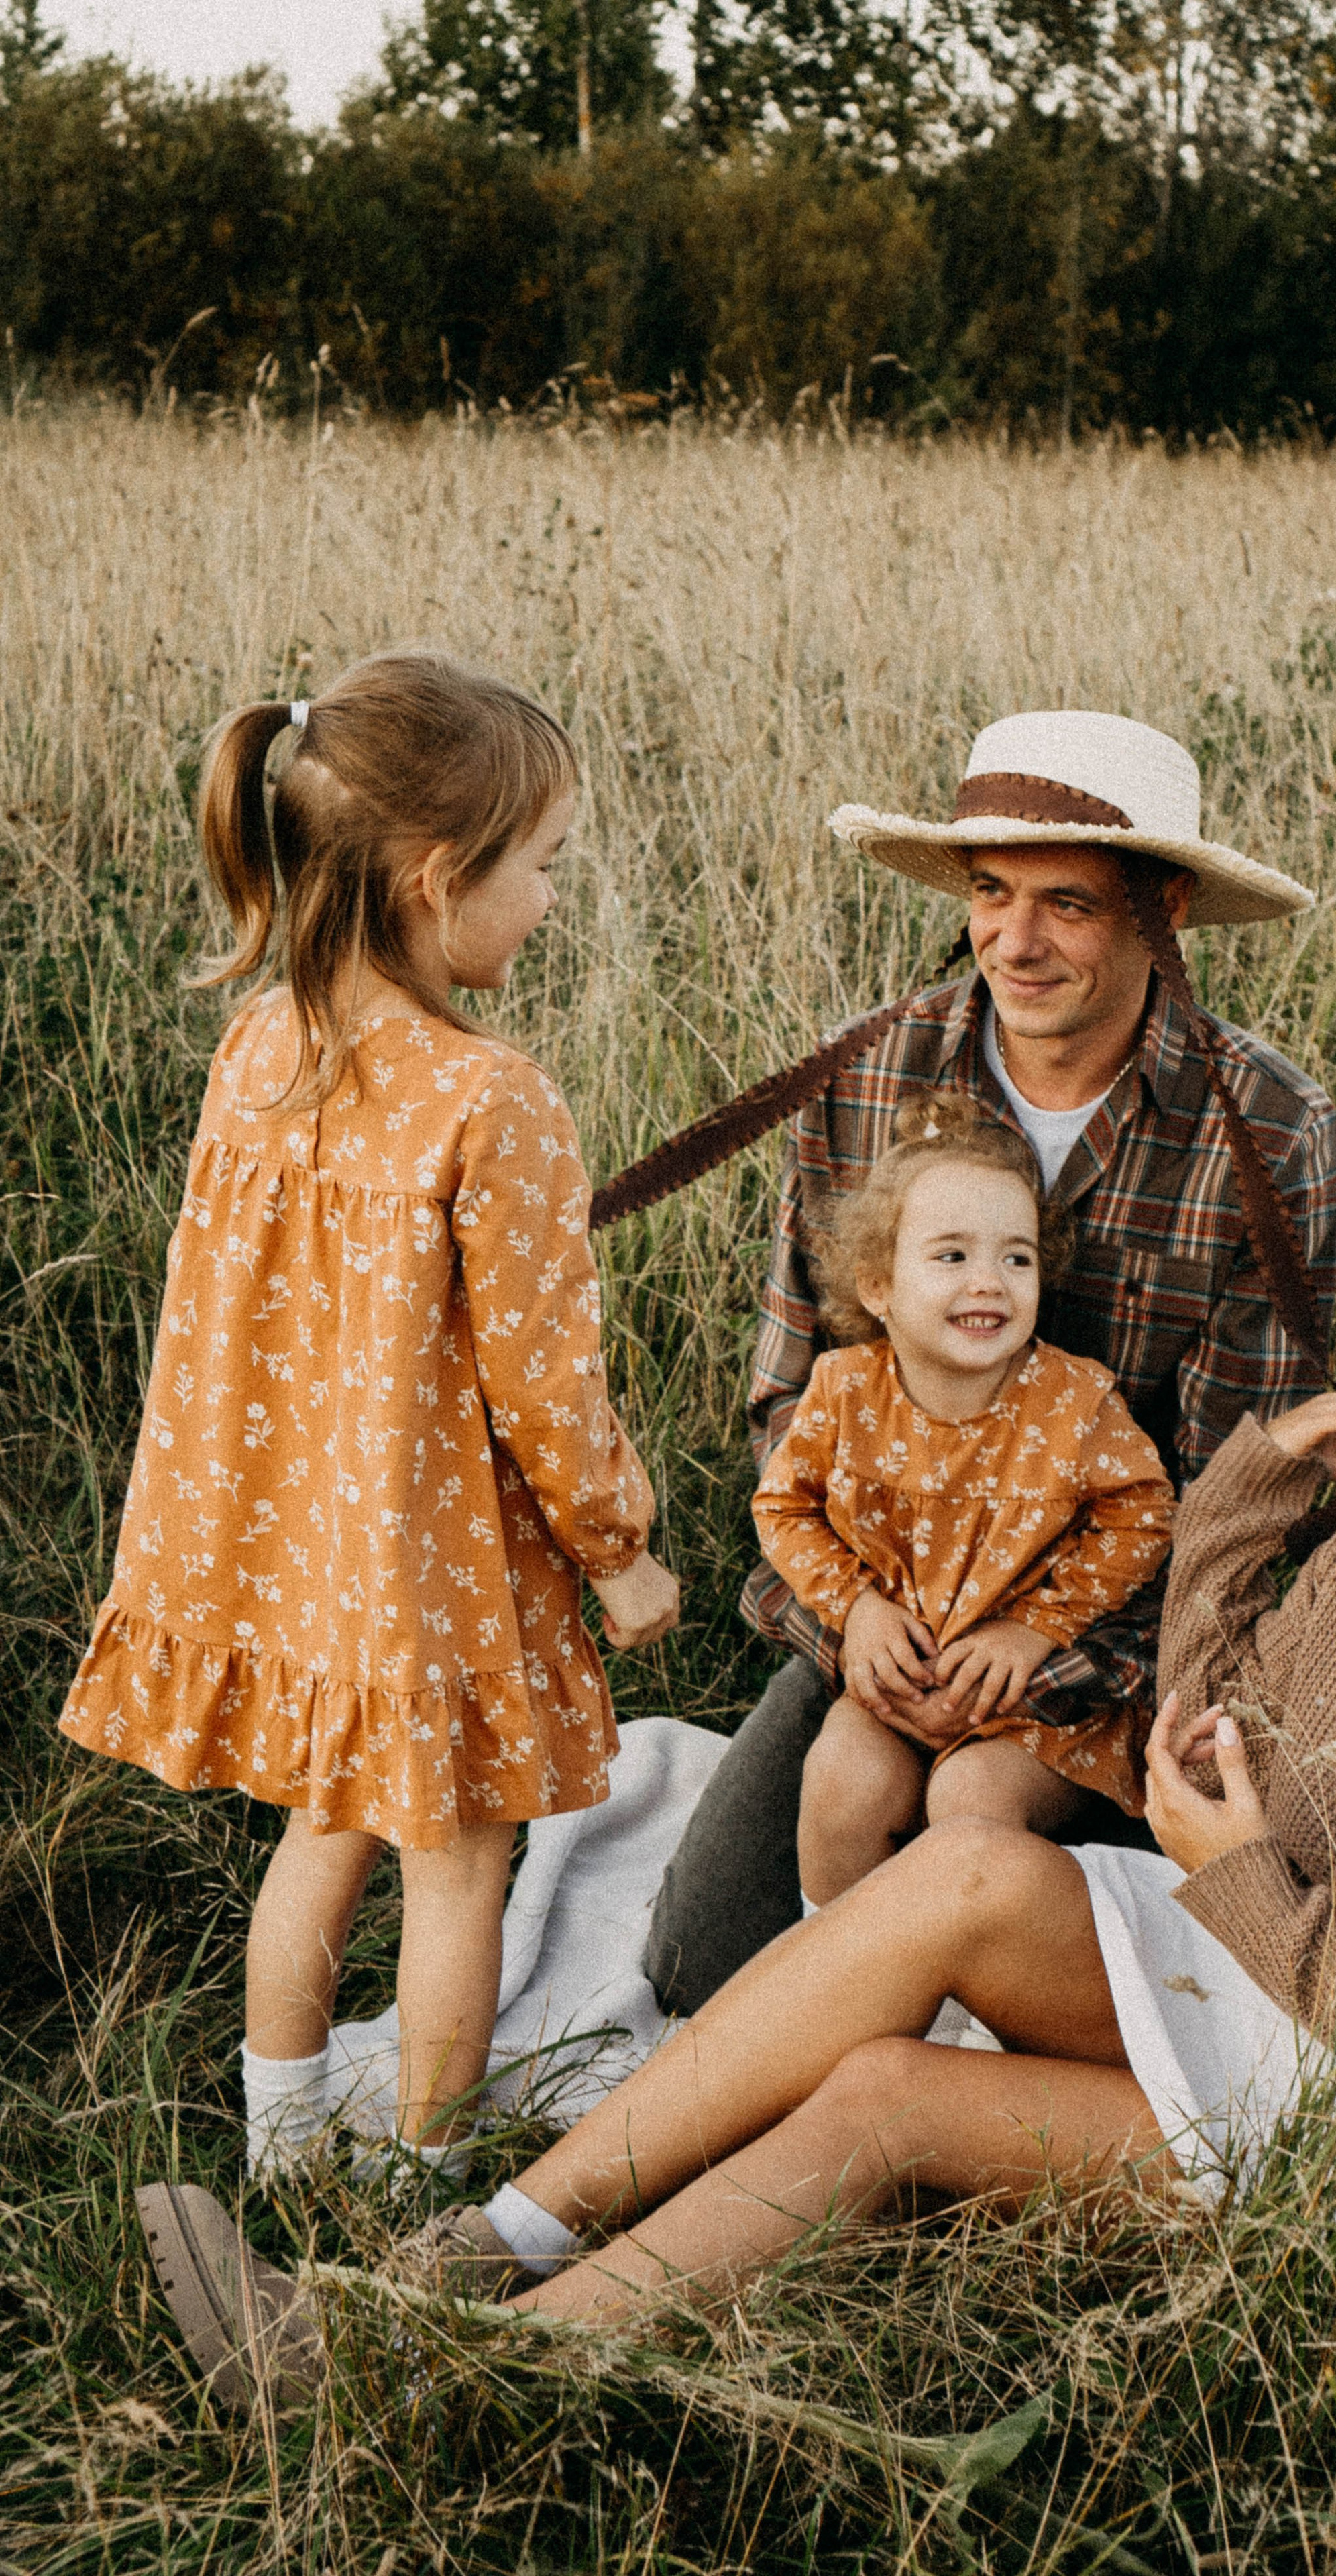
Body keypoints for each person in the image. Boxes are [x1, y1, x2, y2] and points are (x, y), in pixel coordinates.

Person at [138, 1182, 1336, 2390]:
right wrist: (1241, 1502)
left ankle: (427, 2373)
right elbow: (1236, 1713)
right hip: (1282, 1986)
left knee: (890, 2098)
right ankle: (467, 2253)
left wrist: (1230, 1868)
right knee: (960, 1877)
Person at [62, 649, 679, 2181]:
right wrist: (619, 1552)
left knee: (319, 1829)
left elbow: (228, 1312)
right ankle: (422, 2168)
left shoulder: (259, 1047)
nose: (548, 900)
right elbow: (547, 1380)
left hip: (293, 1543)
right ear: (430, 875)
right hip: (438, 1564)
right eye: (538, 866)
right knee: (461, 1866)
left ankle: (281, 2147)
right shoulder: (492, 1096)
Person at [647, 709, 1336, 2011]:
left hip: (1106, 1653)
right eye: (989, 892)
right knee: (695, 1966)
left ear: (1164, 910)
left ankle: (984, 1972)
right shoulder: (868, 1079)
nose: (1013, 943)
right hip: (889, 1617)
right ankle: (843, 1992)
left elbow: (1237, 1497)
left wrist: (1041, 1655)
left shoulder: (1265, 1132)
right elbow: (787, 1401)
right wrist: (852, 1625)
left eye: (1066, 903)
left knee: (987, 1852)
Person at [757, 1093, 1176, 1902]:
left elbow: (1143, 1514)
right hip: (897, 1671)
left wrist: (1035, 1630)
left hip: (1031, 1702)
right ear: (878, 1287)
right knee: (842, 1781)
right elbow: (784, 1507)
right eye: (950, 1257)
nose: (989, 1281)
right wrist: (857, 1611)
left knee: (969, 1802)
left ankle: (970, 1994)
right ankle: (835, 1980)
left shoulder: (1072, 1401)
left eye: (1016, 1259)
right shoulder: (845, 1391)